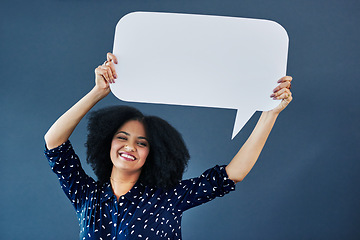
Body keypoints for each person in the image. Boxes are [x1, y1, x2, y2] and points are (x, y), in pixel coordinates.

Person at [44, 53, 292, 240]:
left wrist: (270, 113)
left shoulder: (167, 198)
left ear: (152, 154)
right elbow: (54, 142)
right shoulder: (87, 195)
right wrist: (98, 92)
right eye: (122, 137)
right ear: (107, 142)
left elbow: (233, 174)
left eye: (142, 143)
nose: (130, 146)